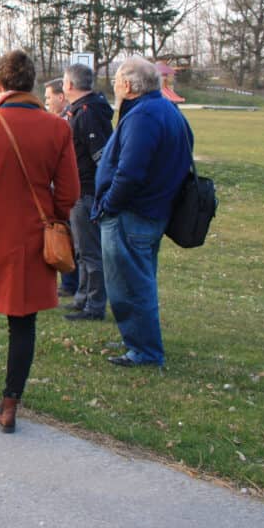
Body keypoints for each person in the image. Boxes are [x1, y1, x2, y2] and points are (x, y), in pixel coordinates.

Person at [0, 49, 79, 433]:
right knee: (23, 321)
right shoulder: (58, 128)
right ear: (32, 83)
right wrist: (51, 221)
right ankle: (9, 407)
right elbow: (69, 192)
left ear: (0, 83)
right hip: (34, 237)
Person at [94, 57, 192, 368]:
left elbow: (130, 172)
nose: (115, 88)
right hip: (150, 212)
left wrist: (109, 205)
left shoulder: (144, 116)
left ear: (127, 85)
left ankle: (145, 352)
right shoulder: (165, 110)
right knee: (138, 280)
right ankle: (136, 338)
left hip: (132, 214)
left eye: (117, 82)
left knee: (130, 286)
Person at [61, 63, 114, 322]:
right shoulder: (77, 112)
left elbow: (101, 157)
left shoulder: (89, 112)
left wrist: (98, 192)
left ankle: (95, 305)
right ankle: (82, 297)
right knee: (81, 249)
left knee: (91, 251)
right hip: (78, 189)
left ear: (70, 85)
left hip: (87, 190)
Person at [45, 77, 79, 296]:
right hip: (61, 189)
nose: (46, 102)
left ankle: (72, 283)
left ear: (61, 96)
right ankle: (69, 283)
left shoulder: (68, 121)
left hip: (71, 190)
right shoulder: (60, 120)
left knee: (70, 236)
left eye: (49, 97)